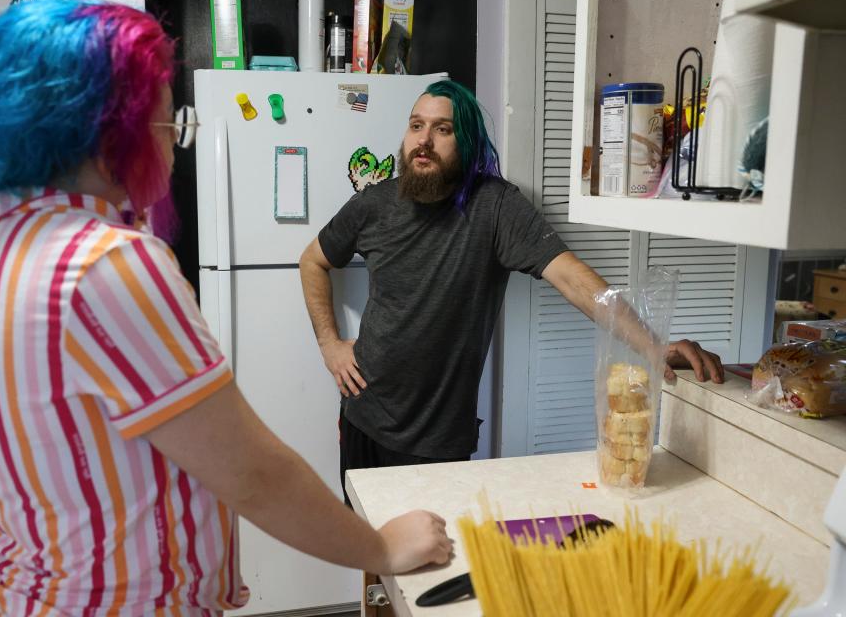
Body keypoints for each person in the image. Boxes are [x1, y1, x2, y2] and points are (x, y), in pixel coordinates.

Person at [0, 0, 451, 615]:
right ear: (108, 132)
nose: (176, 148)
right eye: (167, 125)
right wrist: (381, 548)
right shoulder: (104, 265)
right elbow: (252, 472)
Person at [299, 80, 725, 497]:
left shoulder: (495, 207)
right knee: (368, 540)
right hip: (364, 413)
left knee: (427, 554)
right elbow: (313, 260)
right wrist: (329, 344)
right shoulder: (372, 205)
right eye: (416, 125)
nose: (424, 140)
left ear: (465, 143)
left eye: (442, 129)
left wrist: (653, 346)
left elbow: (573, 279)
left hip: (437, 438)